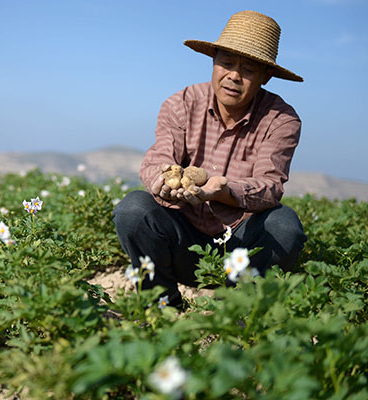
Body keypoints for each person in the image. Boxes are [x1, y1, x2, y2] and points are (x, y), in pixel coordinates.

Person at [113, 10, 308, 308]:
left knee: (283, 227)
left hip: (240, 250)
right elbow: (158, 158)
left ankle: (239, 312)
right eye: (227, 63)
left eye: (248, 69)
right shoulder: (181, 104)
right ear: (213, 60)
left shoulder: (281, 120)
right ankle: (163, 305)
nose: (233, 76)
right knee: (133, 209)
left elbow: (270, 187)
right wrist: (165, 183)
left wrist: (224, 192)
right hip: (182, 244)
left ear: (266, 76)